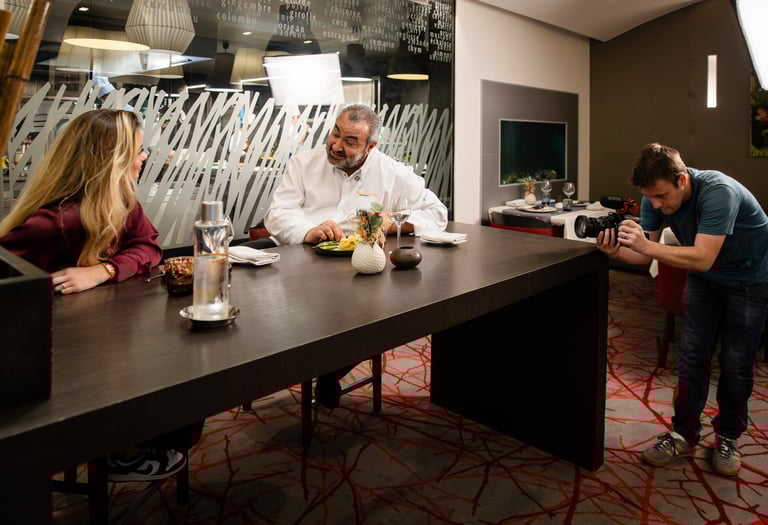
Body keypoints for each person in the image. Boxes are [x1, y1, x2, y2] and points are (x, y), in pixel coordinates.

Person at [0, 109, 194, 481]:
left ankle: (134, 443)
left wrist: (102, 271)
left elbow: (149, 247)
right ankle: (118, 453)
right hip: (62, 352)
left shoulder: (123, 204)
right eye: (138, 150)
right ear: (112, 158)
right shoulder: (55, 221)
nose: (144, 158)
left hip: (103, 332)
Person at [596, 143, 768, 476]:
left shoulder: (718, 191)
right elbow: (643, 255)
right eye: (650, 197)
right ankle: (684, 434)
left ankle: (728, 437)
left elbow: (703, 256)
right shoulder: (653, 197)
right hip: (705, 278)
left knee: (735, 363)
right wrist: (613, 252)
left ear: (682, 179)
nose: (656, 204)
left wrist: (646, 245)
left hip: (748, 279)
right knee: (691, 357)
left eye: (661, 196)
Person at [259, 103, 448, 407]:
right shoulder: (304, 164)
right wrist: (309, 230)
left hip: (363, 269)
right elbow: (277, 214)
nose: (336, 145)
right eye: (335, 133)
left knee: (371, 314)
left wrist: (393, 222)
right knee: (294, 317)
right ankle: (299, 371)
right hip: (303, 267)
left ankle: (330, 370)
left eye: (349, 141)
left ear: (370, 147)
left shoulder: (392, 172)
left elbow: (437, 213)